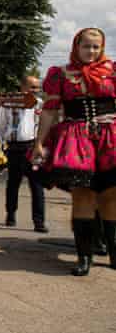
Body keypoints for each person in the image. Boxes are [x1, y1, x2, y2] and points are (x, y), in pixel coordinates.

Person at [32, 27, 116, 275]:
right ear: (76, 46)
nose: (90, 51)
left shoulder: (113, 71)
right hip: (76, 140)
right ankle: (84, 257)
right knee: (83, 195)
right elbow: (49, 110)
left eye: (96, 46)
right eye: (86, 46)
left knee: (111, 196)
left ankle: (114, 254)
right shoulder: (60, 74)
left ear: (102, 48)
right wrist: (39, 142)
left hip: (110, 137)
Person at [0, 76, 47, 231]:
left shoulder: (39, 104)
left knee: (37, 185)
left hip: (32, 147)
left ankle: (39, 222)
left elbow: (42, 124)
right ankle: (10, 214)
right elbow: (1, 124)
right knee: (13, 183)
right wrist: (8, 137)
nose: (35, 91)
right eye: (32, 87)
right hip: (14, 148)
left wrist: (39, 143)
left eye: (37, 88)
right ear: (23, 87)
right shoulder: (8, 102)